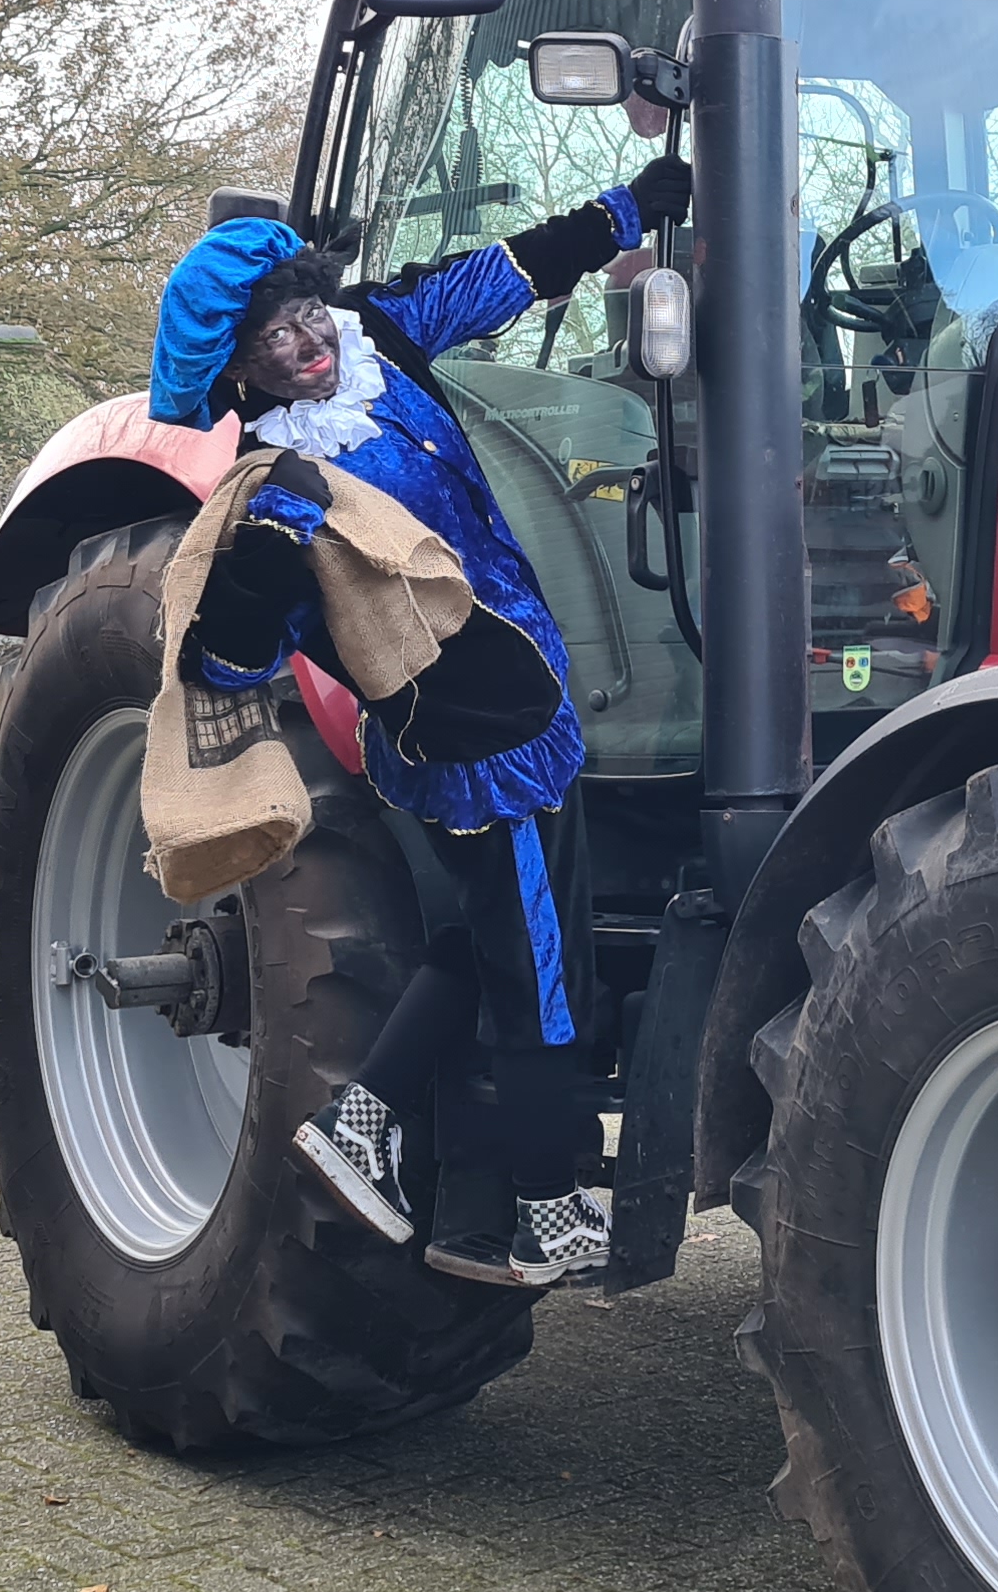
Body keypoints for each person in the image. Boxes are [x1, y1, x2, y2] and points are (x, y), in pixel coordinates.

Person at [148, 154, 691, 1285]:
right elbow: (233, 651)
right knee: (544, 972)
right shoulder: (279, 480)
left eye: (303, 317)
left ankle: (362, 1120)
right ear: (242, 373)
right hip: (477, 740)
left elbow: (506, 274)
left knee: (484, 942)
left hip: (526, 695)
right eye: (274, 347)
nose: (307, 347)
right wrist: (266, 561)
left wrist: (633, 206)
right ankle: (545, 1205)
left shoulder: (380, 334)